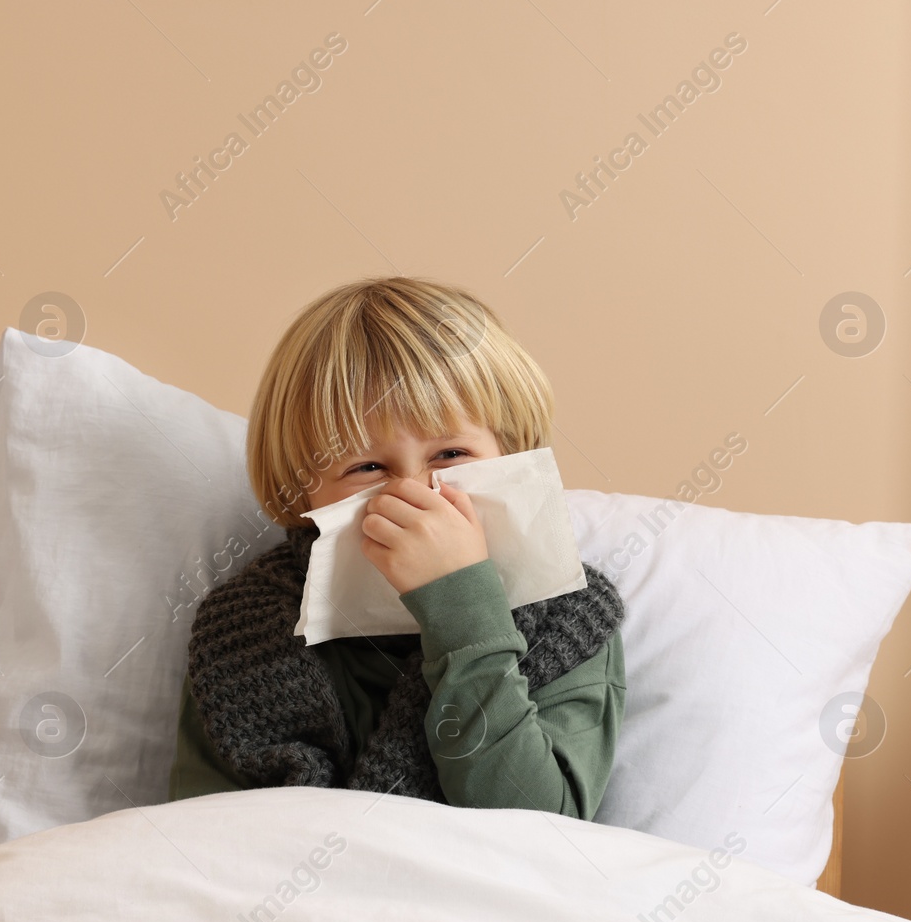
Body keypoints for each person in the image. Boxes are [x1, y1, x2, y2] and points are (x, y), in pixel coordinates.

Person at [167, 276, 626, 820]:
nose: (412, 493)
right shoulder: (245, 630)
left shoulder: (564, 612)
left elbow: (541, 825)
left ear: (510, 455)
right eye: (366, 467)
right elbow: (201, 838)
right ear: (301, 489)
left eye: (451, 453)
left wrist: (463, 613)